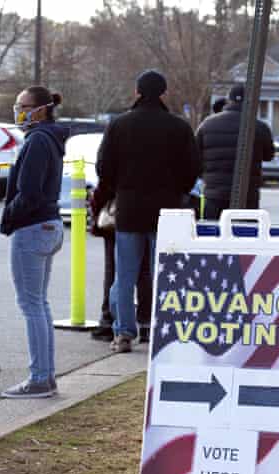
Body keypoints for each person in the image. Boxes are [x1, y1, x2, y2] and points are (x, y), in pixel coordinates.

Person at [94, 69, 200, 354]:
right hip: (167, 210)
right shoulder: (179, 127)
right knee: (162, 274)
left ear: (137, 92)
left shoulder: (119, 125)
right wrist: (177, 189)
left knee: (124, 276)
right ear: (164, 93)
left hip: (128, 208)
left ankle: (124, 333)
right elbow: (192, 170)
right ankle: (159, 329)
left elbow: (103, 168)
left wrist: (121, 187)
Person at [0, 86, 68, 398]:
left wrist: (8, 217)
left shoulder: (39, 140)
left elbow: (29, 192)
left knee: (31, 304)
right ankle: (45, 375)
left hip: (33, 227)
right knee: (38, 303)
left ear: (42, 109)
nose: (19, 111)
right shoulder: (47, 138)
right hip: (46, 225)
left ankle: (40, 377)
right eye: (17, 104)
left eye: (24, 105)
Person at [195, 84, 275, 219]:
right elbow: (268, 155)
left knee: (214, 234)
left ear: (229, 100)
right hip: (247, 193)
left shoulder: (207, 124)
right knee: (245, 235)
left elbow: (196, 156)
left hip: (215, 193)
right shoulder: (259, 127)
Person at [89, 187, 153, 344]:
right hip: (158, 207)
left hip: (126, 209)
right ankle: (148, 325)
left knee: (121, 275)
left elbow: (106, 174)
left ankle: (121, 331)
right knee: (150, 273)